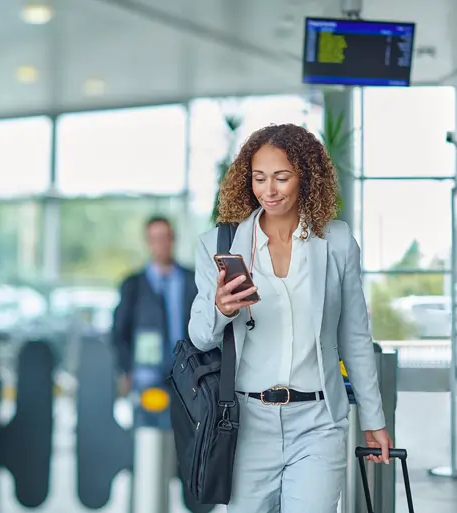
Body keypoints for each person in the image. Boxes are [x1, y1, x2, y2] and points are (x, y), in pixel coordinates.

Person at [187, 124, 392, 513]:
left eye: (282, 177)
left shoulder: (337, 243)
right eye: (260, 178)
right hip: (246, 424)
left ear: (306, 177)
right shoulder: (218, 245)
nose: (270, 190)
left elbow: (354, 338)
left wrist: (374, 418)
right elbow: (199, 337)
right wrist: (221, 309)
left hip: (318, 421)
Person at [112, 216, 197, 394]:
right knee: (147, 421)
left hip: (187, 374)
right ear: (148, 242)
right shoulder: (132, 285)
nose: (162, 244)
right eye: (156, 239)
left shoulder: (192, 280)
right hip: (146, 376)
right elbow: (120, 331)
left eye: (166, 237)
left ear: (173, 239)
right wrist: (125, 370)